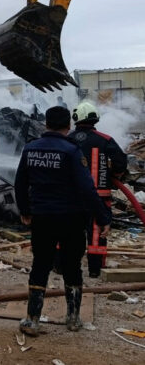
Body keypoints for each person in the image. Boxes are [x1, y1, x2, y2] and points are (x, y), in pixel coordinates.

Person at [14, 106, 111, 335]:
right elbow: (87, 189)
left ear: (45, 124)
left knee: (40, 265)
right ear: (68, 126)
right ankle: (73, 319)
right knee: (72, 266)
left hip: (42, 218)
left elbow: (20, 183)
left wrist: (25, 210)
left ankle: (32, 319)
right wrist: (103, 216)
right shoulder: (71, 151)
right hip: (71, 219)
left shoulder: (30, 149)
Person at [68, 101, 128, 277]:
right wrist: (114, 175)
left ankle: (61, 265)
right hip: (99, 196)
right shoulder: (105, 140)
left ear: (76, 118)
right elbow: (120, 162)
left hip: (71, 196)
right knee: (97, 232)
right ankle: (95, 271)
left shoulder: (67, 139)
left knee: (68, 230)